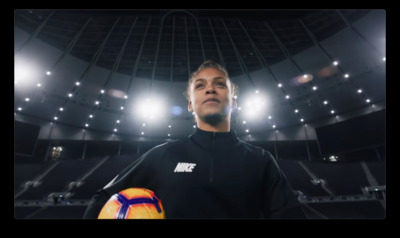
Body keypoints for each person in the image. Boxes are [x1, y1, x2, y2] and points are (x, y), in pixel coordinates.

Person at [83, 60, 306, 219]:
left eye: (220, 84)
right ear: (190, 104)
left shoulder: (261, 160)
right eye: (200, 85)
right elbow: (103, 197)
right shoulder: (163, 156)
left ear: (234, 102)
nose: (210, 89)